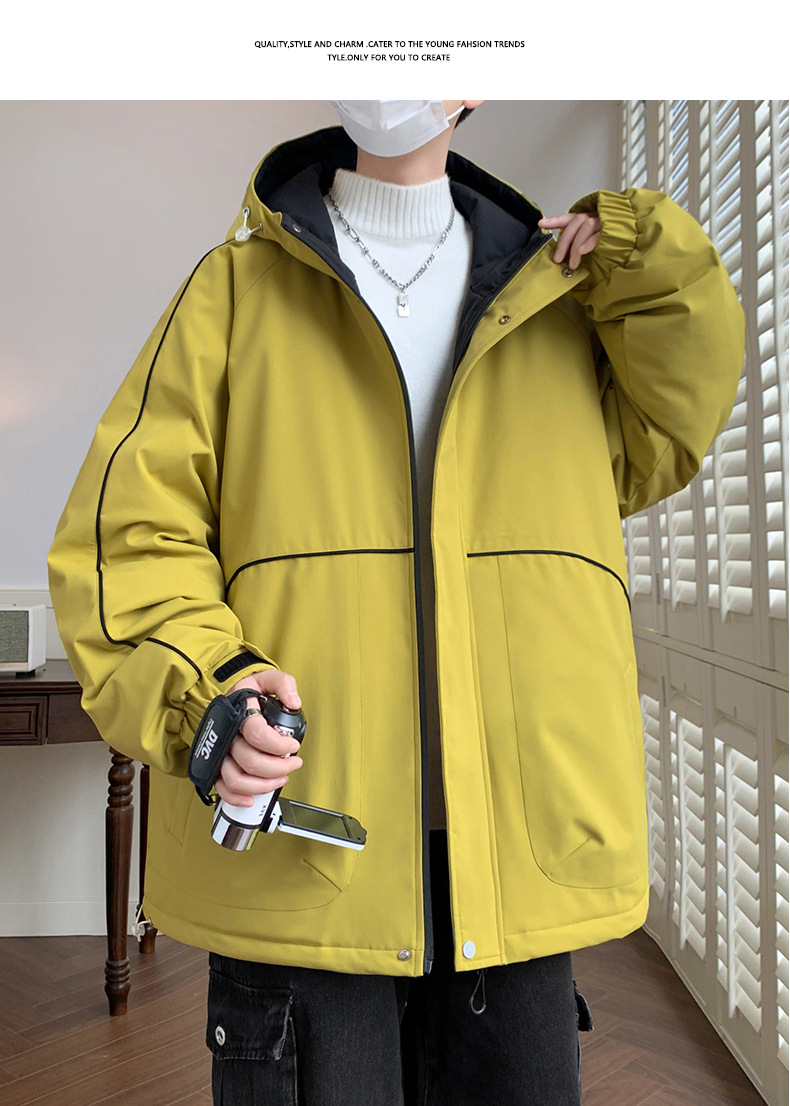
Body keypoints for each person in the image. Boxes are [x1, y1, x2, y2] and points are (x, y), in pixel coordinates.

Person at [48, 100, 745, 1104]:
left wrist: (650, 259)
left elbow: (679, 412)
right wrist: (211, 689)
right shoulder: (233, 291)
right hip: (304, 857)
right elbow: (126, 534)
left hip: (519, 852)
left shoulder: (568, 302)